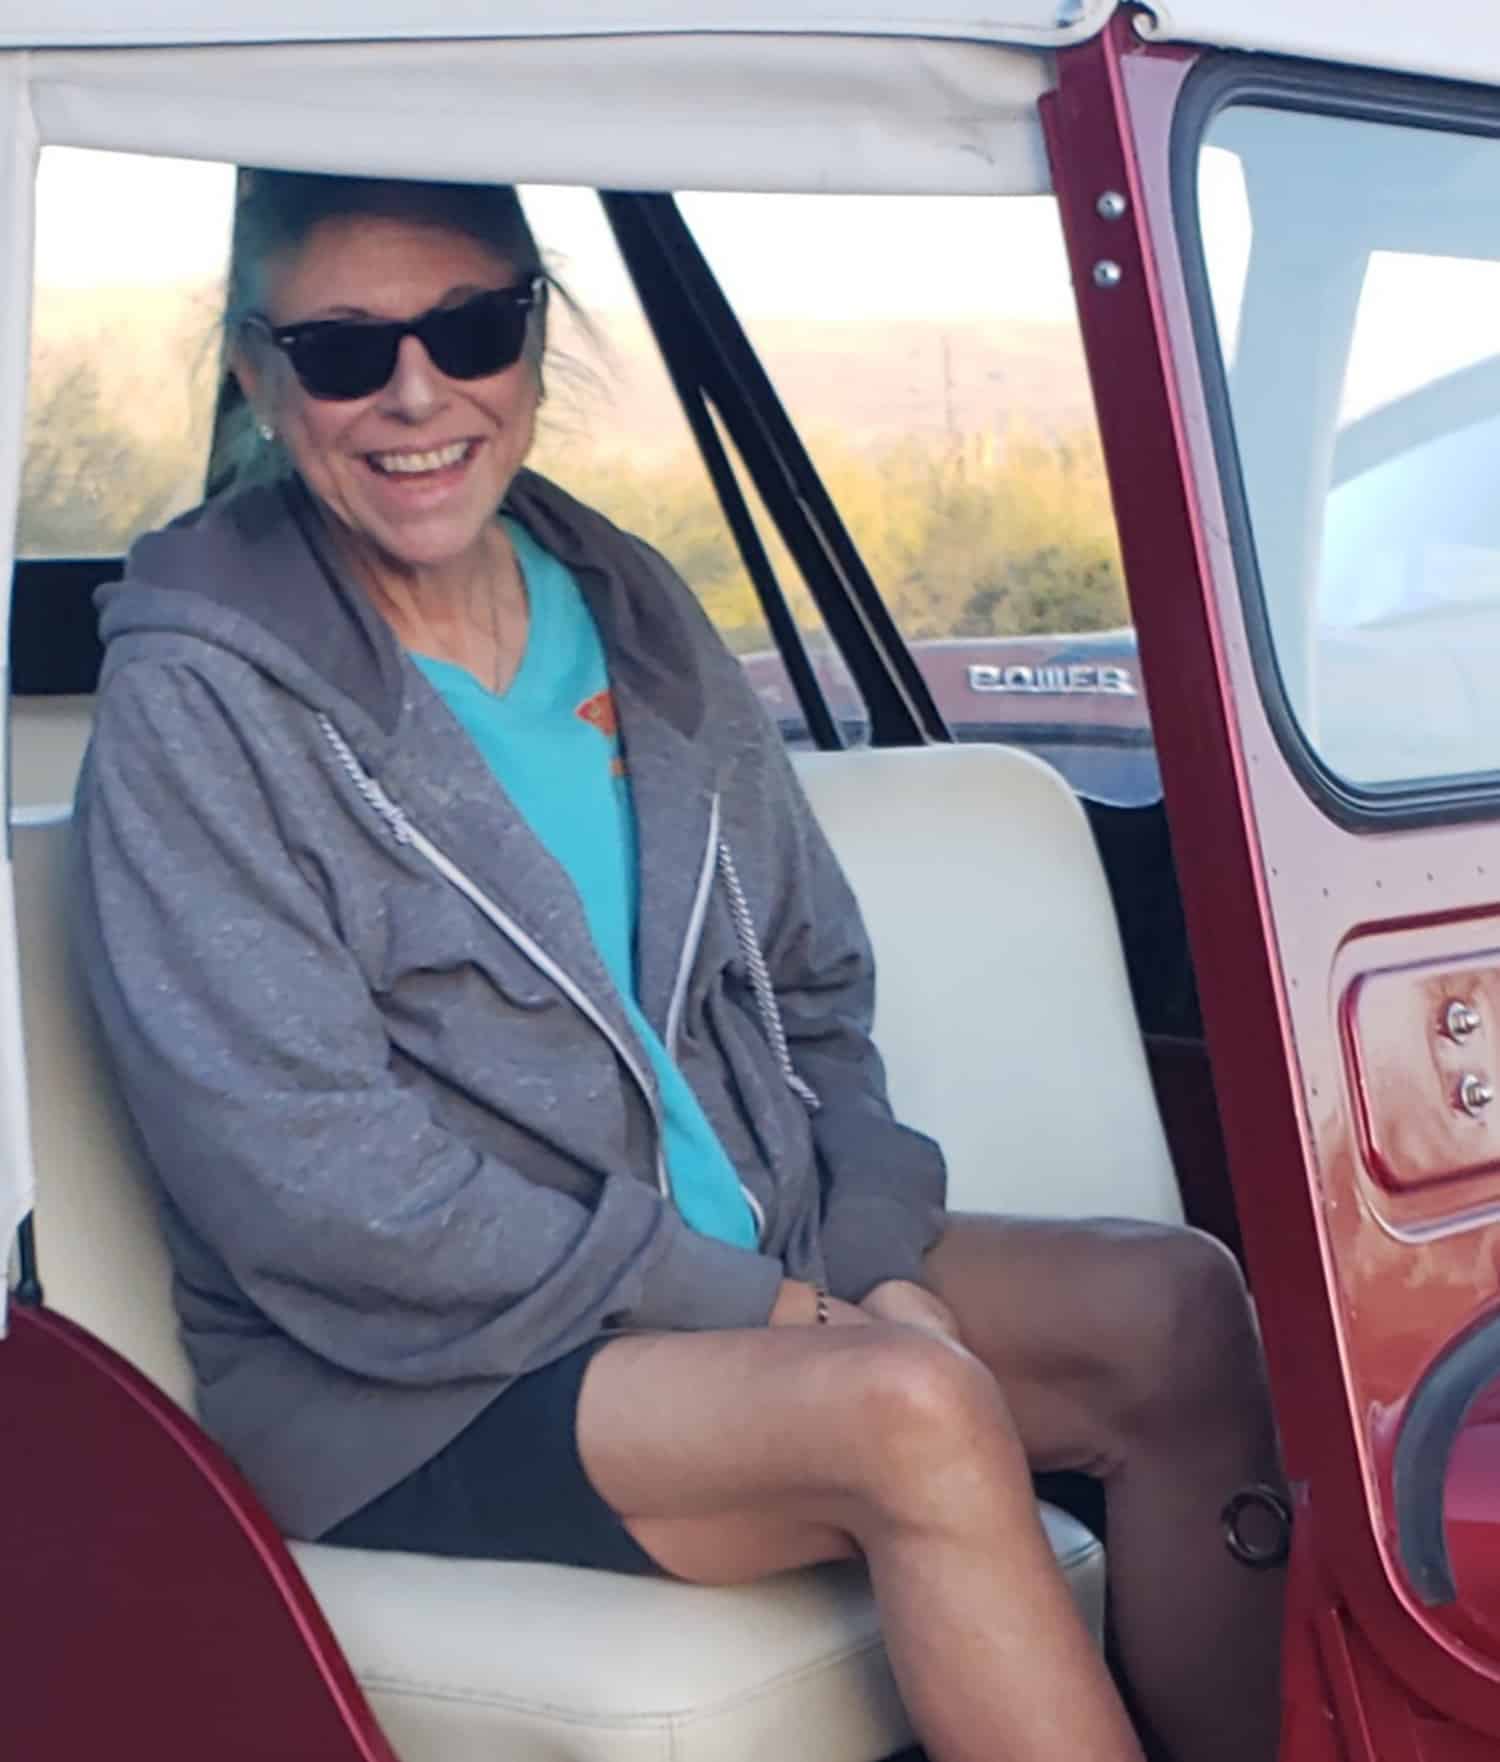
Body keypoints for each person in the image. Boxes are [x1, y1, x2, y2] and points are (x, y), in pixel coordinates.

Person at [70, 169, 1285, 1762]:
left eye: (471, 329)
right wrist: (775, 1312)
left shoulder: (626, 605)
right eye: (346, 352)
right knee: (908, 1410)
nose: (418, 394)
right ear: (255, 367)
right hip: (418, 1374)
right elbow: (318, 1187)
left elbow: (812, 980)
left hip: (751, 1262)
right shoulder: (196, 703)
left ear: (534, 335)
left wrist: (866, 1253)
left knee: (1178, 1311)